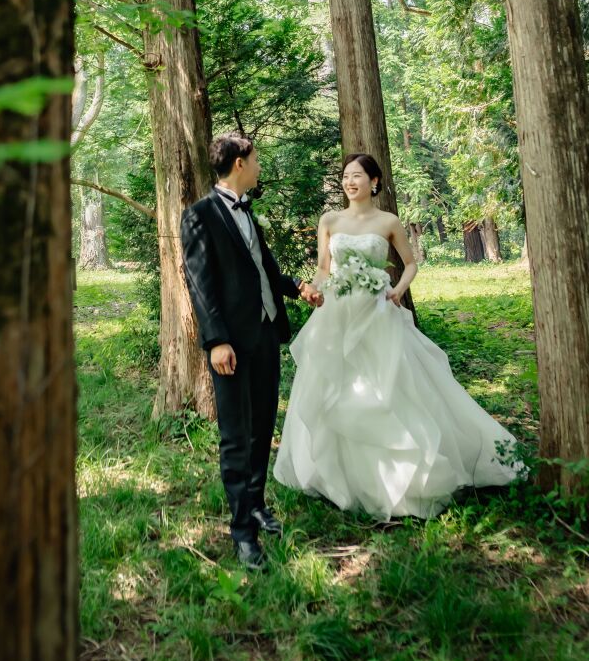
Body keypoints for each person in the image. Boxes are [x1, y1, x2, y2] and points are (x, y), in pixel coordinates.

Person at [274, 153, 522, 519]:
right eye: (345, 176)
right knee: (335, 389)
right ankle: (337, 477)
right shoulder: (329, 220)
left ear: (374, 182)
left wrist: (397, 290)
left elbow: (410, 263)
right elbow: (324, 268)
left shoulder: (388, 221)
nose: (349, 182)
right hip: (337, 316)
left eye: (357, 176)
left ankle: (403, 475)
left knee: (389, 389)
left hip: (377, 315)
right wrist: (314, 290)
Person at [181, 134, 321, 569]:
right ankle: (242, 532)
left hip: (264, 334)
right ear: (240, 163)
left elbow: (265, 269)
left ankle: (258, 504)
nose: (260, 167)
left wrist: (297, 287)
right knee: (236, 435)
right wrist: (216, 340)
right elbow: (200, 284)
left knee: (262, 425)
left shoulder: (249, 215)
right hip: (231, 345)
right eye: (256, 160)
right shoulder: (199, 215)